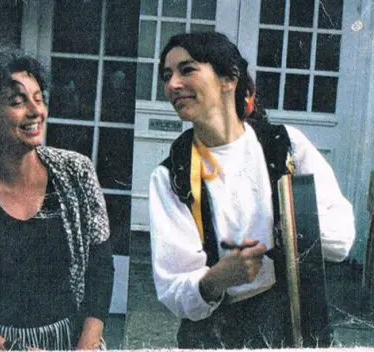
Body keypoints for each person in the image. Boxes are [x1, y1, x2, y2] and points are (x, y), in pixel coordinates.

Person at [147, 31, 354, 349]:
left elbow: (341, 240)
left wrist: (285, 224)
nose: (172, 84)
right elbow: (174, 287)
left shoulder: (286, 146)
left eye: (187, 70)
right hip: (214, 335)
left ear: (229, 79)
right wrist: (218, 278)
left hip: (292, 323)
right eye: (167, 75)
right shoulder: (171, 175)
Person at [0, 55, 113, 350]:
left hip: (70, 342)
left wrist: (87, 344)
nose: (36, 111)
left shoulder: (77, 172)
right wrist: (2, 346)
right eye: (17, 102)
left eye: (39, 99)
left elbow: (100, 268)